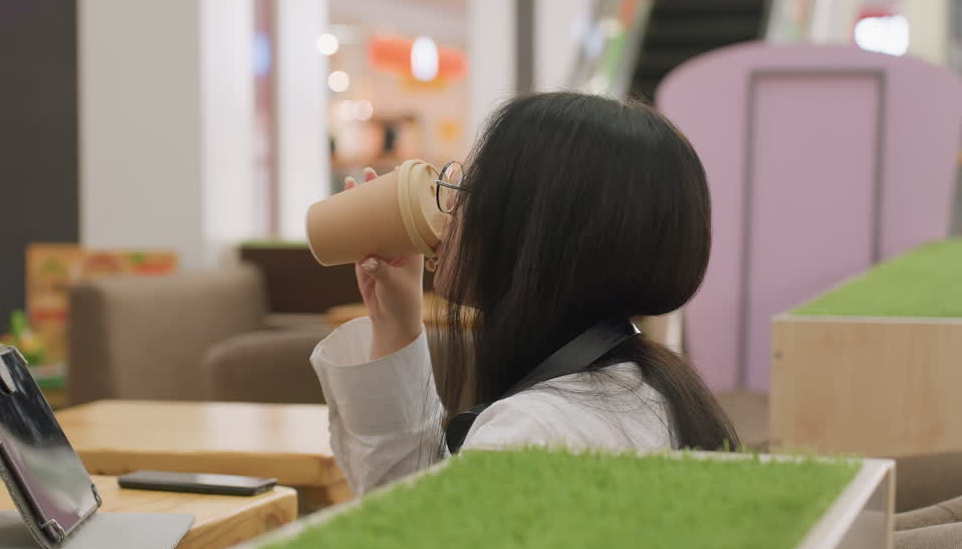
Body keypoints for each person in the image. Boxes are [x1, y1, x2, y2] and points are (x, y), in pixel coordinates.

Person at [310, 92, 739, 495]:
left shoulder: (527, 435)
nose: (450, 210)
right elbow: (429, 503)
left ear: (533, 234)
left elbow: (412, 543)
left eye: (466, 191)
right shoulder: (646, 387)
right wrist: (396, 322)